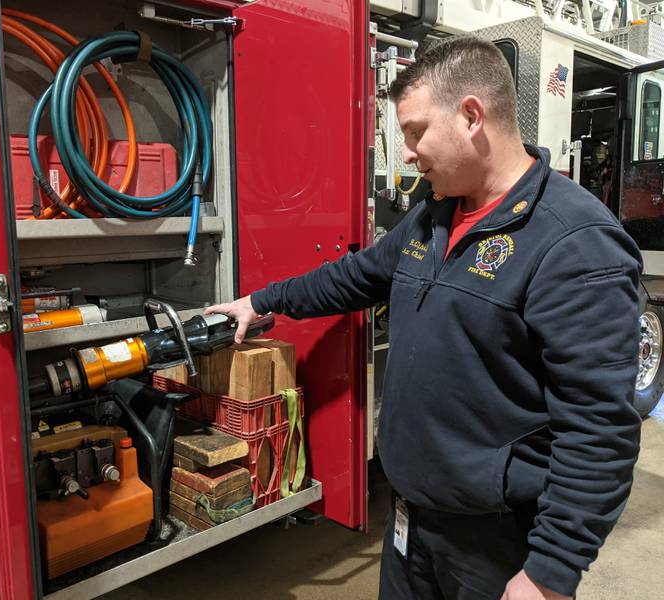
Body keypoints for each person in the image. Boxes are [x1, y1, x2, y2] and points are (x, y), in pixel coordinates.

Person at [205, 36, 642, 600]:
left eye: (414, 132)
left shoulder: (576, 244)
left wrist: (550, 573)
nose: (406, 152)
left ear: (471, 117)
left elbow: (599, 429)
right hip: (412, 519)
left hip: (497, 541)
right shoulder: (431, 219)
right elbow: (352, 277)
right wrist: (262, 302)